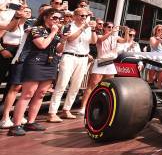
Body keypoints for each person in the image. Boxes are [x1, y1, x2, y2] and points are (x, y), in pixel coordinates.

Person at [8, 8, 64, 136]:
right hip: (35, 62)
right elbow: (42, 45)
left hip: (50, 63)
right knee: (28, 93)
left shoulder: (55, 32)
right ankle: (16, 125)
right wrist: (53, 33)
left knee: (41, 94)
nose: (56, 21)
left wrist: (63, 39)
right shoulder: (36, 29)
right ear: (45, 17)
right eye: (54, 17)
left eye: (59, 19)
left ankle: (30, 122)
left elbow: (59, 50)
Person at [47, 8, 97, 122]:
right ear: (74, 16)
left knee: (76, 86)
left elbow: (93, 41)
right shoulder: (69, 26)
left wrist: (93, 30)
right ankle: (52, 112)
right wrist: (83, 28)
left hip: (83, 58)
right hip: (69, 56)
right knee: (62, 84)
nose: (84, 18)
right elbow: (69, 39)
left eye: (85, 16)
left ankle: (66, 109)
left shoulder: (88, 28)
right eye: (81, 15)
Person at [81, 22, 126, 114]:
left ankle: (105, 105)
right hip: (101, 60)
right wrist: (111, 32)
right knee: (92, 84)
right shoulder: (99, 35)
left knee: (109, 84)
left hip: (110, 62)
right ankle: (83, 107)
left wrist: (127, 31)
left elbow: (125, 40)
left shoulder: (115, 37)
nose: (111, 28)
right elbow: (100, 40)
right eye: (109, 27)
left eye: (112, 27)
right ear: (104, 28)